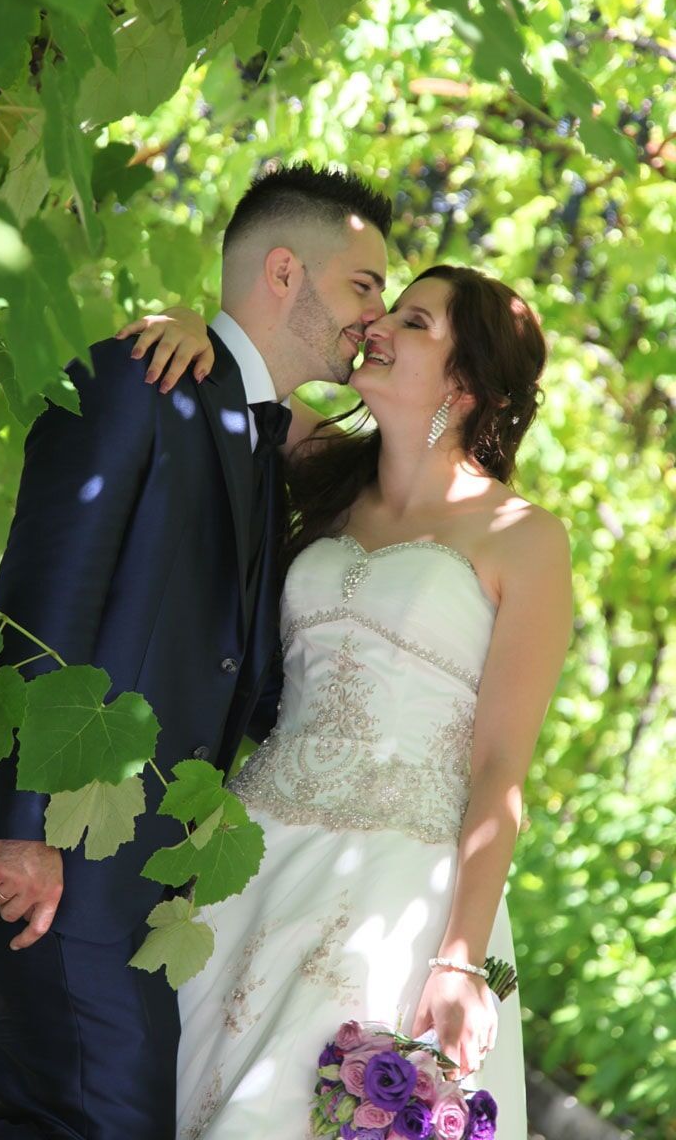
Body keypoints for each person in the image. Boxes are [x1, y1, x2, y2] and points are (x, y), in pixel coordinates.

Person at [0, 163, 390, 1139]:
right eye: (363, 286)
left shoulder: (266, 444)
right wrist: (23, 825)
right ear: (284, 272)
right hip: (54, 860)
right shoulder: (137, 382)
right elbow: (48, 596)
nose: (372, 320)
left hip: (131, 882)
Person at [119, 263, 572, 1137]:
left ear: (469, 380)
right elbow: (235, 367)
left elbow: (501, 766)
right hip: (248, 852)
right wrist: (185, 318)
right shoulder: (325, 467)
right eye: (388, 312)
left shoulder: (526, 538)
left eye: (416, 323)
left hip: (398, 887)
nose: (379, 328)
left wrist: (461, 959)